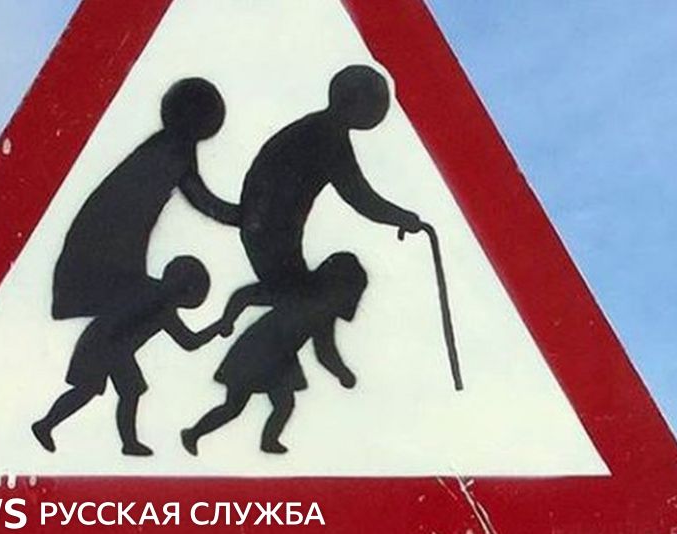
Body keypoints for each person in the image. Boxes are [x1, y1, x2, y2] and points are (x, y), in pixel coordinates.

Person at [230, 64, 421, 310]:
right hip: (270, 229)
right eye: (376, 102)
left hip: (264, 224)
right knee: (300, 302)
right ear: (355, 104)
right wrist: (401, 218)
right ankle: (238, 306)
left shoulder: (316, 127)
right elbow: (360, 197)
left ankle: (240, 308)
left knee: (299, 299)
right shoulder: (330, 139)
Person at [52, 77, 239, 322]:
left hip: (106, 256)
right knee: (157, 301)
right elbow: (205, 202)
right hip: (102, 266)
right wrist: (251, 216)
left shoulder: (164, 144)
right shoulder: (174, 150)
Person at [34, 256, 224, 456]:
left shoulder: (155, 297)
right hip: (101, 344)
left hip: (115, 349)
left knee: (130, 391)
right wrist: (217, 328)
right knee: (87, 390)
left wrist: (216, 328)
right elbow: (190, 342)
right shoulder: (161, 304)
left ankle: (129, 443)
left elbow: (189, 342)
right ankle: (46, 425)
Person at [181, 252, 367, 456]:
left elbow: (325, 352)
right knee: (234, 407)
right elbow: (245, 296)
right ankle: (193, 434)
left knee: (284, 404)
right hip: (256, 351)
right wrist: (227, 320)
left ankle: (268, 441)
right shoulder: (297, 292)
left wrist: (342, 373)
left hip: (281, 360)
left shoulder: (323, 315)